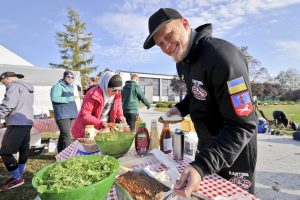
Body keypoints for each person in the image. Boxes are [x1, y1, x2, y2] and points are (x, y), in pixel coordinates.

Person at [143, 8, 258, 197]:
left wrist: (203, 164)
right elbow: (198, 93)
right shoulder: (182, 63)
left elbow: (242, 125)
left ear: (185, 23)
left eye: (169, 36)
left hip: (234, 154)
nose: (166, 47)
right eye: (160, 44)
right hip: (206, 149)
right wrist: (180, 109)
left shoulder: (223, 58)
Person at [0, 72, 34, 191]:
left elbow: (8, 104)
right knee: (23, 149)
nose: (4, 85)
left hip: (17, 123)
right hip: (26, 122)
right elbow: (21, 106)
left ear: (7, 78)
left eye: (3, 83)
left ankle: (17, 178)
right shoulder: (26, 87)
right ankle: (18, 175)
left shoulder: (14, 85)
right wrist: (5, 123)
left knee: (5, 152)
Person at [71, 71, 126, 139]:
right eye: (114, 90)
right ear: (106, 85)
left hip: (103, 128)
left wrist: (120, 115)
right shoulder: (92, 94)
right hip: (88, 129)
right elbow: (85, 115)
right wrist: (100, 123)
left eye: (119, 90)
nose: (117, 92)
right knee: (90, 148)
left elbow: (118, 106)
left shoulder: (117, 94)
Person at [50, 71, 78, 153]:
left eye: (72, 77)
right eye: (68, 76)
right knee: (67, 136)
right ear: (64, 77)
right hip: (63, 114)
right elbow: (55, 98)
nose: (70, 78)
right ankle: (68, 156)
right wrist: (70, 98)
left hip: (71, 114)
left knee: (63, 135)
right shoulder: (58, 86)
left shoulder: (70, 87)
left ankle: (60, 154)